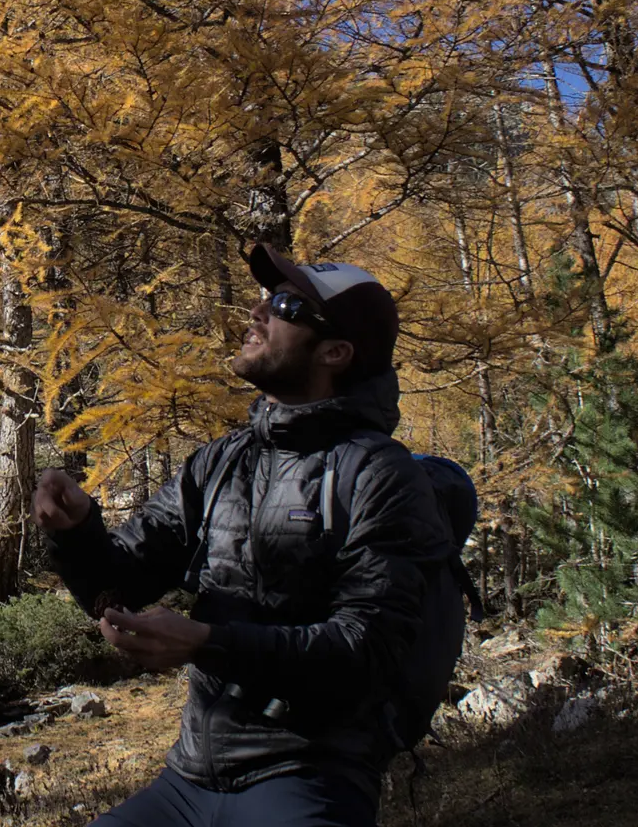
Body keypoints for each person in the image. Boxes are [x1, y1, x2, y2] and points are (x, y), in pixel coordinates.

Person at [37, 244, 450, 827]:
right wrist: (76, 531)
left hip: (310, 777)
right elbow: (117, 583)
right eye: (264, 299)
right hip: (189, 778)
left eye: (284, 304)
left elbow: (368, 650)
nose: (257, 313)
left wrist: (206, 642)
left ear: (335, 351)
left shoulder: (381, 475)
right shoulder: (222, 462)